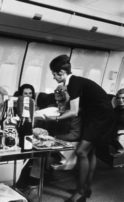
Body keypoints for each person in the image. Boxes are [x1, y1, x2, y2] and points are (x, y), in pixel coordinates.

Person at [48, 54, 116, 202]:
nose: (53, 77)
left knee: (81, 151)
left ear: (61, 72)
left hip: (101, 118)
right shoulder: (75, 82)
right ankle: (86, 188)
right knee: (91, 153)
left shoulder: (73, 83)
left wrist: (55, 117)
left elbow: (74, 111)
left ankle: (80, 193)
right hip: (99, 116)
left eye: (54, 74)